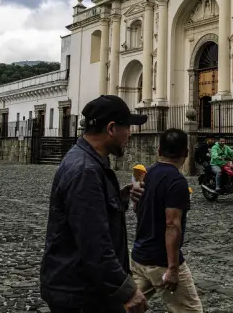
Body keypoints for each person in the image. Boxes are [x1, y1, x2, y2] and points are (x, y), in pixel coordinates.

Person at [40, 95, 148, 313]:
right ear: (111, 128)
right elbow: (94, 242)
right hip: (82, 294)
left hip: (82, 287)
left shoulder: (87, 161)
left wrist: (121, 197)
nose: (130, 134)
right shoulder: (85, 170)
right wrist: (125, 289)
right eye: (127, 127)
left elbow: (90, 211)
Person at [131, 128, 203, 313]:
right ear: (186, 153)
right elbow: (172, 224)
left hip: (140, 256)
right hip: (161, 260)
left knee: (129, 307)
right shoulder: (176, 180)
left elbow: (138, 209)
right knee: (191, 310)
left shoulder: (146, 173)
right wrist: (172, 268)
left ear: (159, 150)